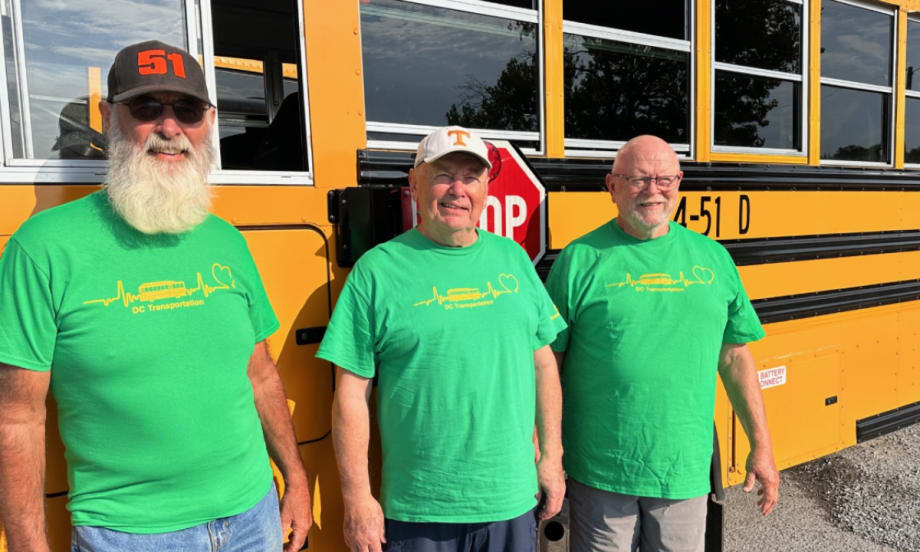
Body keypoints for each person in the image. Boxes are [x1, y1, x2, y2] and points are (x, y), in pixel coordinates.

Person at [0, 40, 311, 552]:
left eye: (186, 110)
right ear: (108, 117)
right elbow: (16, 418)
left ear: (207, 122)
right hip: (128, 535)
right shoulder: (42, 248)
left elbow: (260, 376)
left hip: (254, 517)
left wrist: (295, 478)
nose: (169, 129)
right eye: (147, 109)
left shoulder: (226, 240)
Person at [317, 126, 566, 552]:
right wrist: (357, 498)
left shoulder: (514, 260)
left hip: (509, 500)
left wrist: (552, 459)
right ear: (415, 183)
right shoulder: (377, 272)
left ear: (486, 187)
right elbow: (351, 395)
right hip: (420, 510)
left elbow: (543, 364)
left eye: (470, 177)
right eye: (443, 175)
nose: (458, 189)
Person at [545, 135, 779, 552]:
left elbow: (736, 356)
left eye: (664, 179)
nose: (653, 190)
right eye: (637, 179)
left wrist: (761, 445)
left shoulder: (713, 258)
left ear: (679, 183)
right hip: (600, 472)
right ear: (612, 186)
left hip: (682, 471)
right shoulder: (579, 260)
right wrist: (548, 452)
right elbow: (547, 364)